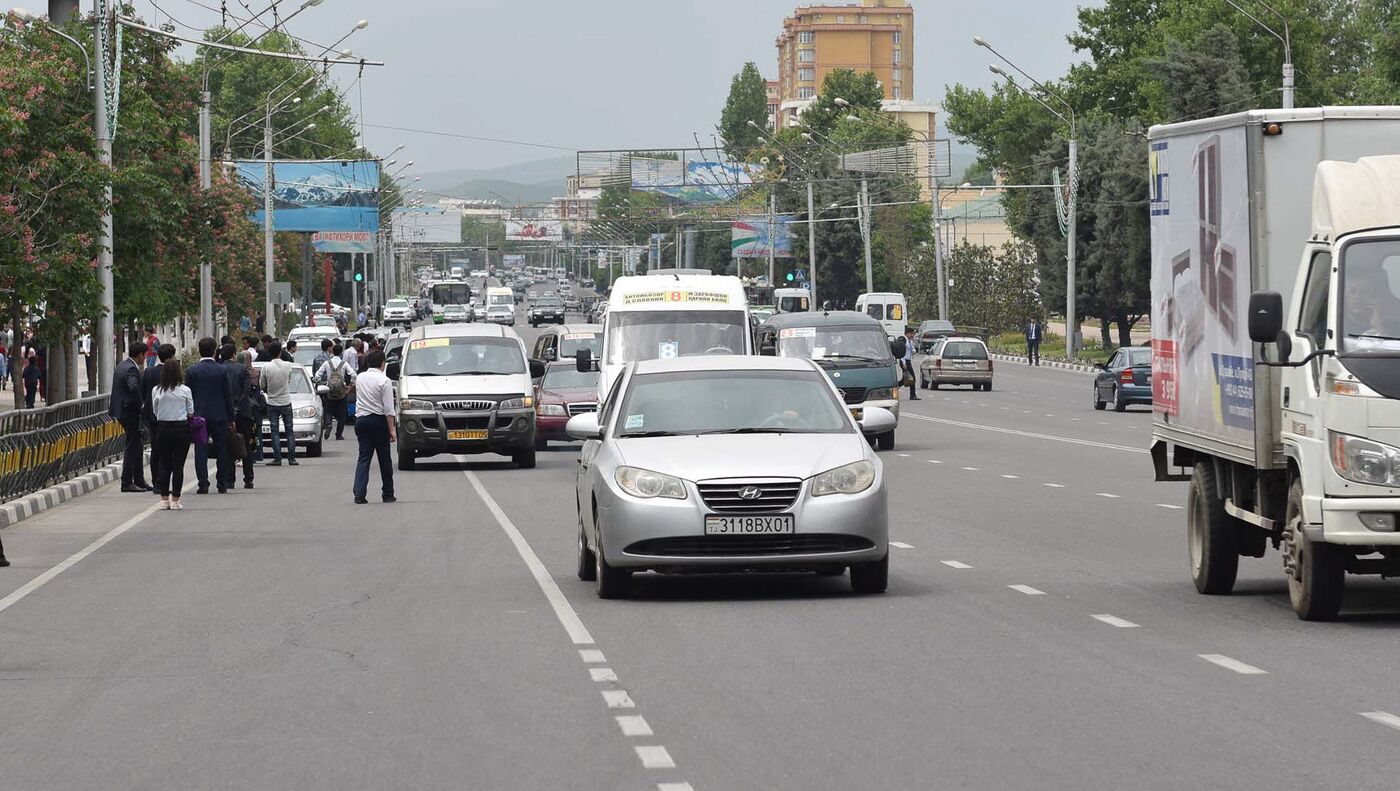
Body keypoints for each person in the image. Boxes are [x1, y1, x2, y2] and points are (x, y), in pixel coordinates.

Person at [185, 337, 235, 494]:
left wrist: (188, 416)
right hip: (220, 416)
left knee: (201, 450)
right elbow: (228, 396)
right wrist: (231, 418)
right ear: (215, 351)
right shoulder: (222, 370)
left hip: (199, 418)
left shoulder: (192, 371)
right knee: (222, 450)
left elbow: (188, 395)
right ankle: (222, 483)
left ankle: (203, 484)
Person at [351, 349, 396, 504]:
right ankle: (388, 493)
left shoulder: (360, 378)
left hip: (361, 421)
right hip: (378, 421)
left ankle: (359, 493)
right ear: (383, 364)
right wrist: (392, 429)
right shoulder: (384, 381)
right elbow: (389, 408)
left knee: (364, 457)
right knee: (384, 459)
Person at [150, 359, 194, 510]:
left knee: (164, 464)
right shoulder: (185, 390)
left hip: (162, 428)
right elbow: (190, 411)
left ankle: (163, 499)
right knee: (178, 466)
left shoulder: (156, 390)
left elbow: (155, 411)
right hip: (181, 429)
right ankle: (175, 499)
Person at [107, 341, 150, 491]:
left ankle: (139, 479)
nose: (145, 358)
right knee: (132, 446)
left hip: (122, 410)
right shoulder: (131, 369)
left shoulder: (122, 365)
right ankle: (127, 482)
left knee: (137, 445)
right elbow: (133, 387)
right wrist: (141, 404)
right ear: (140, 355)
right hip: (129, 411)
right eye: (144, 355)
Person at [141, 343, 176, 495]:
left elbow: (143, 394)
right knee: (169, 451)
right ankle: (166, 482)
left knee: (156, 449)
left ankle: (157, 483)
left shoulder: (149, 372)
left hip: (152, 417)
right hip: (170, 417)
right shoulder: (174, 373)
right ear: (172, 356)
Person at [222, 343, 256, 490]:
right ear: (233, 355)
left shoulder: (220, 369)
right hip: (243, 412)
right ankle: (248, 479)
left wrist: (229, 408)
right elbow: (246, 391)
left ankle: (230, 479)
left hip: (225, 413)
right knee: (245, 445)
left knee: (228, 445)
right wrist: (237, 407)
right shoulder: (242, 369)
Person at [260, 341, 299, 466]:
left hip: (272, 401)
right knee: (289, 430)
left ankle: (277, 458)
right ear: (281, 352)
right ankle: (292, 458)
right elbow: (289, 381)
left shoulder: (266, 367)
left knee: (274, 431)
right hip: (286, 400)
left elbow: (262, 385)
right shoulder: (288, 365)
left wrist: (268, 390)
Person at [315, 343, 355, 440]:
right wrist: (349, 386)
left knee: (328, 410)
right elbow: (353, 374)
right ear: (341, 352)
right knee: (342, 413)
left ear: (332, 351)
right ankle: (339, 434)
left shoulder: (327, 363)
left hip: (329, 391)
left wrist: (322, 383)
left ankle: (328, 424)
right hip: (341, 392)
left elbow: (317, 375)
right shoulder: (344, 364)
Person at [900, 328, 919, 401]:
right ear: (907, 333)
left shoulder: (910, 341)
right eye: (911, 334)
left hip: (908, 361)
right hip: (904, 361)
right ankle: (912, 395)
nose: (912, 335)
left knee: (905, 379)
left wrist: (913, 350)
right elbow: (902, 353)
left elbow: (912, 349)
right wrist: (904, 363)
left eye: (913, 334)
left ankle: (895, 387)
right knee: (912, 378)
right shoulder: (904, 341)